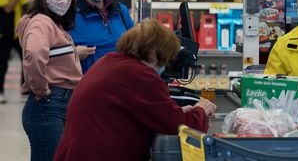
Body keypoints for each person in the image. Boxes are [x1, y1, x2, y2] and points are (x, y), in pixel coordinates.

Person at [54, 19, 217, 161]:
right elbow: (177, 125)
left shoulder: (111, 62)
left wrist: (176, 111)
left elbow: (145, 111)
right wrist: (201, 111)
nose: (164, 66)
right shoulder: (139, 75)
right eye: (165, 59)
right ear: (153, 54)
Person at [16, 0, 82, 161]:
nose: (64, 0)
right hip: (47, 106)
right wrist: (41, 89)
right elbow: (35, 54)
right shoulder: (41, 22)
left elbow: (50, 54)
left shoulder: (54, 23)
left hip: (57, 105)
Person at [69, 0, 134, 73]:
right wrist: (72, 54)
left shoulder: (121, 11)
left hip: (119, 83)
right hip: (87, 86)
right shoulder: (70, 14)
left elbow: (135, 45)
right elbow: (54, 53)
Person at [0, 0, 28, 103]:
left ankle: (25, 90)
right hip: (4, 32)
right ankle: (0, 92)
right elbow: (8, 8)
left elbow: (24, 6)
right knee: (2, 63)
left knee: (27, 61)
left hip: (18, 32)